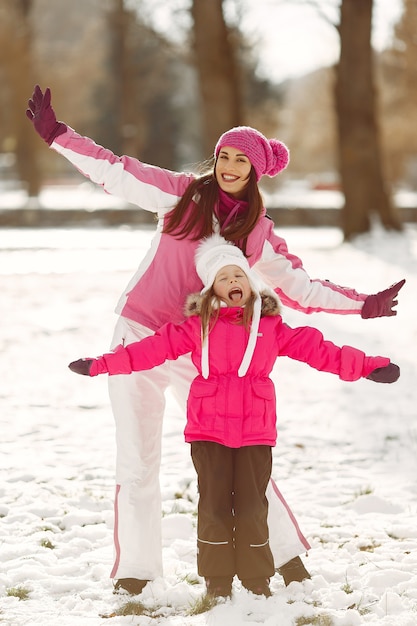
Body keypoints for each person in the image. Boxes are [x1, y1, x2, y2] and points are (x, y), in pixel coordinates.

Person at [26, 84, 405, 594]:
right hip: (139, 333)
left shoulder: (257, 232)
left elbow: (300, 286)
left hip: (201, 347)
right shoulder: (182, 194)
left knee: (239, 444)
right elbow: (116, 170)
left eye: (239, 159)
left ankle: (285, 554)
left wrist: (363, 304)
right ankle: (136, 571)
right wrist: (58, 135)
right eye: (223, 155)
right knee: (136, 460)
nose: (228, 165)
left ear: (254, 170)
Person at [68, 234, 400, 599]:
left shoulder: (271, 328)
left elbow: (320, 350)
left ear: (251, 285)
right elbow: (149, 350)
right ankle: (217, 581)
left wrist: (368, 366)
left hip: (255, 433)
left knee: (253, 508)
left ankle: (258, 580)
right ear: (212, 291)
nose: (233, 283)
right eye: (223, 279)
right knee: (213, 508)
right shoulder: (195, 328)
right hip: (208, 433)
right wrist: (102, 364)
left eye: (239, 276)